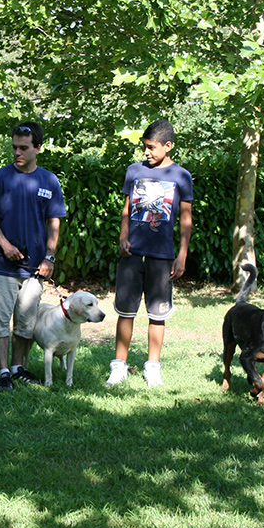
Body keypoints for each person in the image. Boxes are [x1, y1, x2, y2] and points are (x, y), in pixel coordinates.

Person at [106, 119, 193, 389]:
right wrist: (123, 237)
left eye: (152, 148)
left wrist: (182, 255)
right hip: (132, 254)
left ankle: (152, 367)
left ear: (168, 146)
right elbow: (126, 208)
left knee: (158, 313)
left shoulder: (181, 176)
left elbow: (186, 219)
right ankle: (119, 367)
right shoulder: (134, 171)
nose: (147, 152)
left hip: (162, 255)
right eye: (145, 147)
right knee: (126, 311)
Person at [0, 121, 66, 391]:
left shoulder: (49, 180)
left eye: (23, 148)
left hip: (34, 268)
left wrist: (49, 258)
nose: (17, 153)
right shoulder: (0, 177)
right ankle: (3, 372)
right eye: (14, 147)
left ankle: (18, 368)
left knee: (26, 322)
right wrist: (4, 245)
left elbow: (54, 221)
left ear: (38, 148)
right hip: (4, 266)